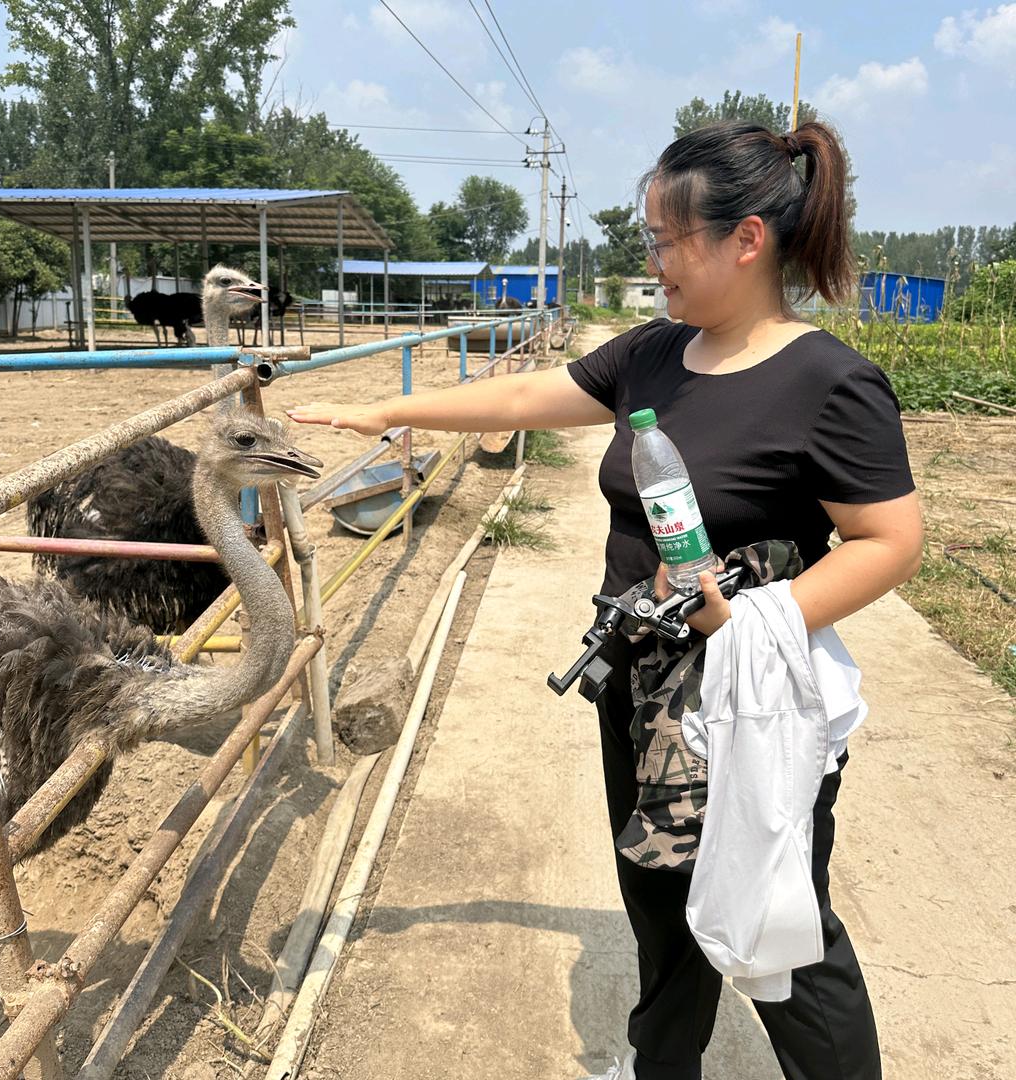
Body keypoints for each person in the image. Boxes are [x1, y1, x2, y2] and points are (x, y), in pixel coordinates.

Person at [288, 120, 923, 1080]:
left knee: (783, 923)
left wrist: (749, 617)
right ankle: (661, 1065)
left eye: (667, 240)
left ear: (744, 240)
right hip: (636, 685)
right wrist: (386, 410)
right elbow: (522, 401)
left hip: (745, 701)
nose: (654, 260)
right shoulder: (657, 355)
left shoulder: (828, 382)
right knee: (658, 904)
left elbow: (891, 541)